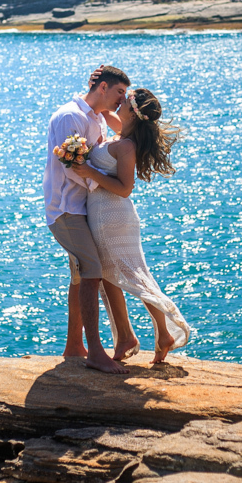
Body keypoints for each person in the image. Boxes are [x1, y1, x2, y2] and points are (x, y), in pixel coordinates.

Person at [70, 87, 191, 364]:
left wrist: (89, 172)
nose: (120, 101)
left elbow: (125, 189)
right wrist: (96, 84)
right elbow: (101, 108)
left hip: (112, 216)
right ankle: (131, 336)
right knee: (112, 275)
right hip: (102, 214)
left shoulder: (126, 145)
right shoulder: (122, 132)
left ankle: (162, 333)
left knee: (133, 276)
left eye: (125, 100)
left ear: (134, 114)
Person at [43, 66, 140, 374]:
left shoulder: (96, 117)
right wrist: (105, 184)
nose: (122, 98)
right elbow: (71, 165)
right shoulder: (69, 116)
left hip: (83, 208)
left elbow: (128, 127)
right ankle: (96, 352)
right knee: (92, 271)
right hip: (66, 209)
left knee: (79, 276)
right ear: (103, 88)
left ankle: (74, 345)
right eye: (119, 92)